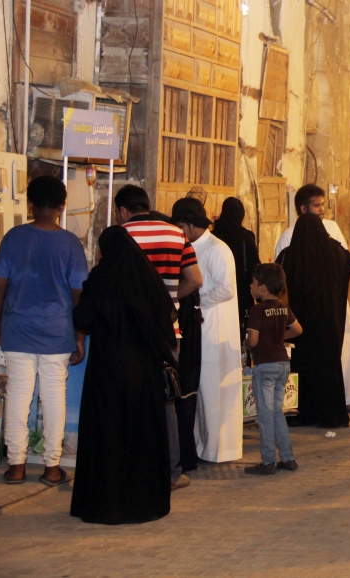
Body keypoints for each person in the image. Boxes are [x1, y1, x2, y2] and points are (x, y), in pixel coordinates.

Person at [70, 226, 175, 523]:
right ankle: (144, 501)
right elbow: (166, 316)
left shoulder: (101, 279)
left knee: (108, 432)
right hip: (144, 369)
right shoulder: (147, 278)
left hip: (108, 368)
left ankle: (106, 502)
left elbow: (82, 318)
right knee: (141, 431)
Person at [0, 176, 88, 487]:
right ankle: (51, 467)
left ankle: (16, 466)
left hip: (17, 330)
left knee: (18, 396)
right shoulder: (70, 244)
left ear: (30, 204)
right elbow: (79, 295)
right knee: (53, 397)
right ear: (62, 207)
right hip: (57, 332)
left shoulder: (13, 238)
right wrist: (79, 335)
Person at [115, 184, 202, 491]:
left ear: (123, 211)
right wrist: (167, 301)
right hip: (169, 333)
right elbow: (195, 279)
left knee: (130, 402)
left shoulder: (121, 236)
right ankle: (172, 473)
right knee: (166, 401)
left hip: (130, 334)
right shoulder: (176, 235)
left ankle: (134, 470)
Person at [275, 184, 350, 414]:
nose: (321, 209)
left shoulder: (332, 228)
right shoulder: (289, 235)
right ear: (303, 208)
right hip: (304, 308)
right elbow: (282, 272)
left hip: (332, 302)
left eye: (323, 205)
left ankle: (347, 397)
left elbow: (343, 262)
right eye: (317, 205)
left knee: (342, 349)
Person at [171, 198, 243, 464]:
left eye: (180, 226)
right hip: (197, 328)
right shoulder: (188, 246)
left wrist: (198, 302)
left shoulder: (217, 249)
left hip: (214, 328)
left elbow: (226, 288)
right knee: (198, 389)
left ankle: (218, 449)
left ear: (190, 224)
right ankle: (200, 446)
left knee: (213, 390)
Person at [279, 213, 350, 427]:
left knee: (299, 369)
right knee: (326, 369)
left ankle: (298, 412)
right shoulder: (332, 253)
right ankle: (329, 415)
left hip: (298, 327)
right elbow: (348, 259)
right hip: (326, 324)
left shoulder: (290, 254)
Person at [243, 264, 302, 475]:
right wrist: (278, 338)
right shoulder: (283, 306)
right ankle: (288, 458)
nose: (250, 286)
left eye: (253, 282)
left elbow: (253, 340)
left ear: (263, 287)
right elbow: (297, 329)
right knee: (277, 413)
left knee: (264, 416)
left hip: (265, 366)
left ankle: (268, 461)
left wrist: (246, 343)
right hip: (282, 364)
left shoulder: (256, 310)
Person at [211, 197, 260, 327]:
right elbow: (255, 267)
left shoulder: (213, 235)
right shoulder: (246, 237)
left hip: (216, 292)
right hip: (241, 293)